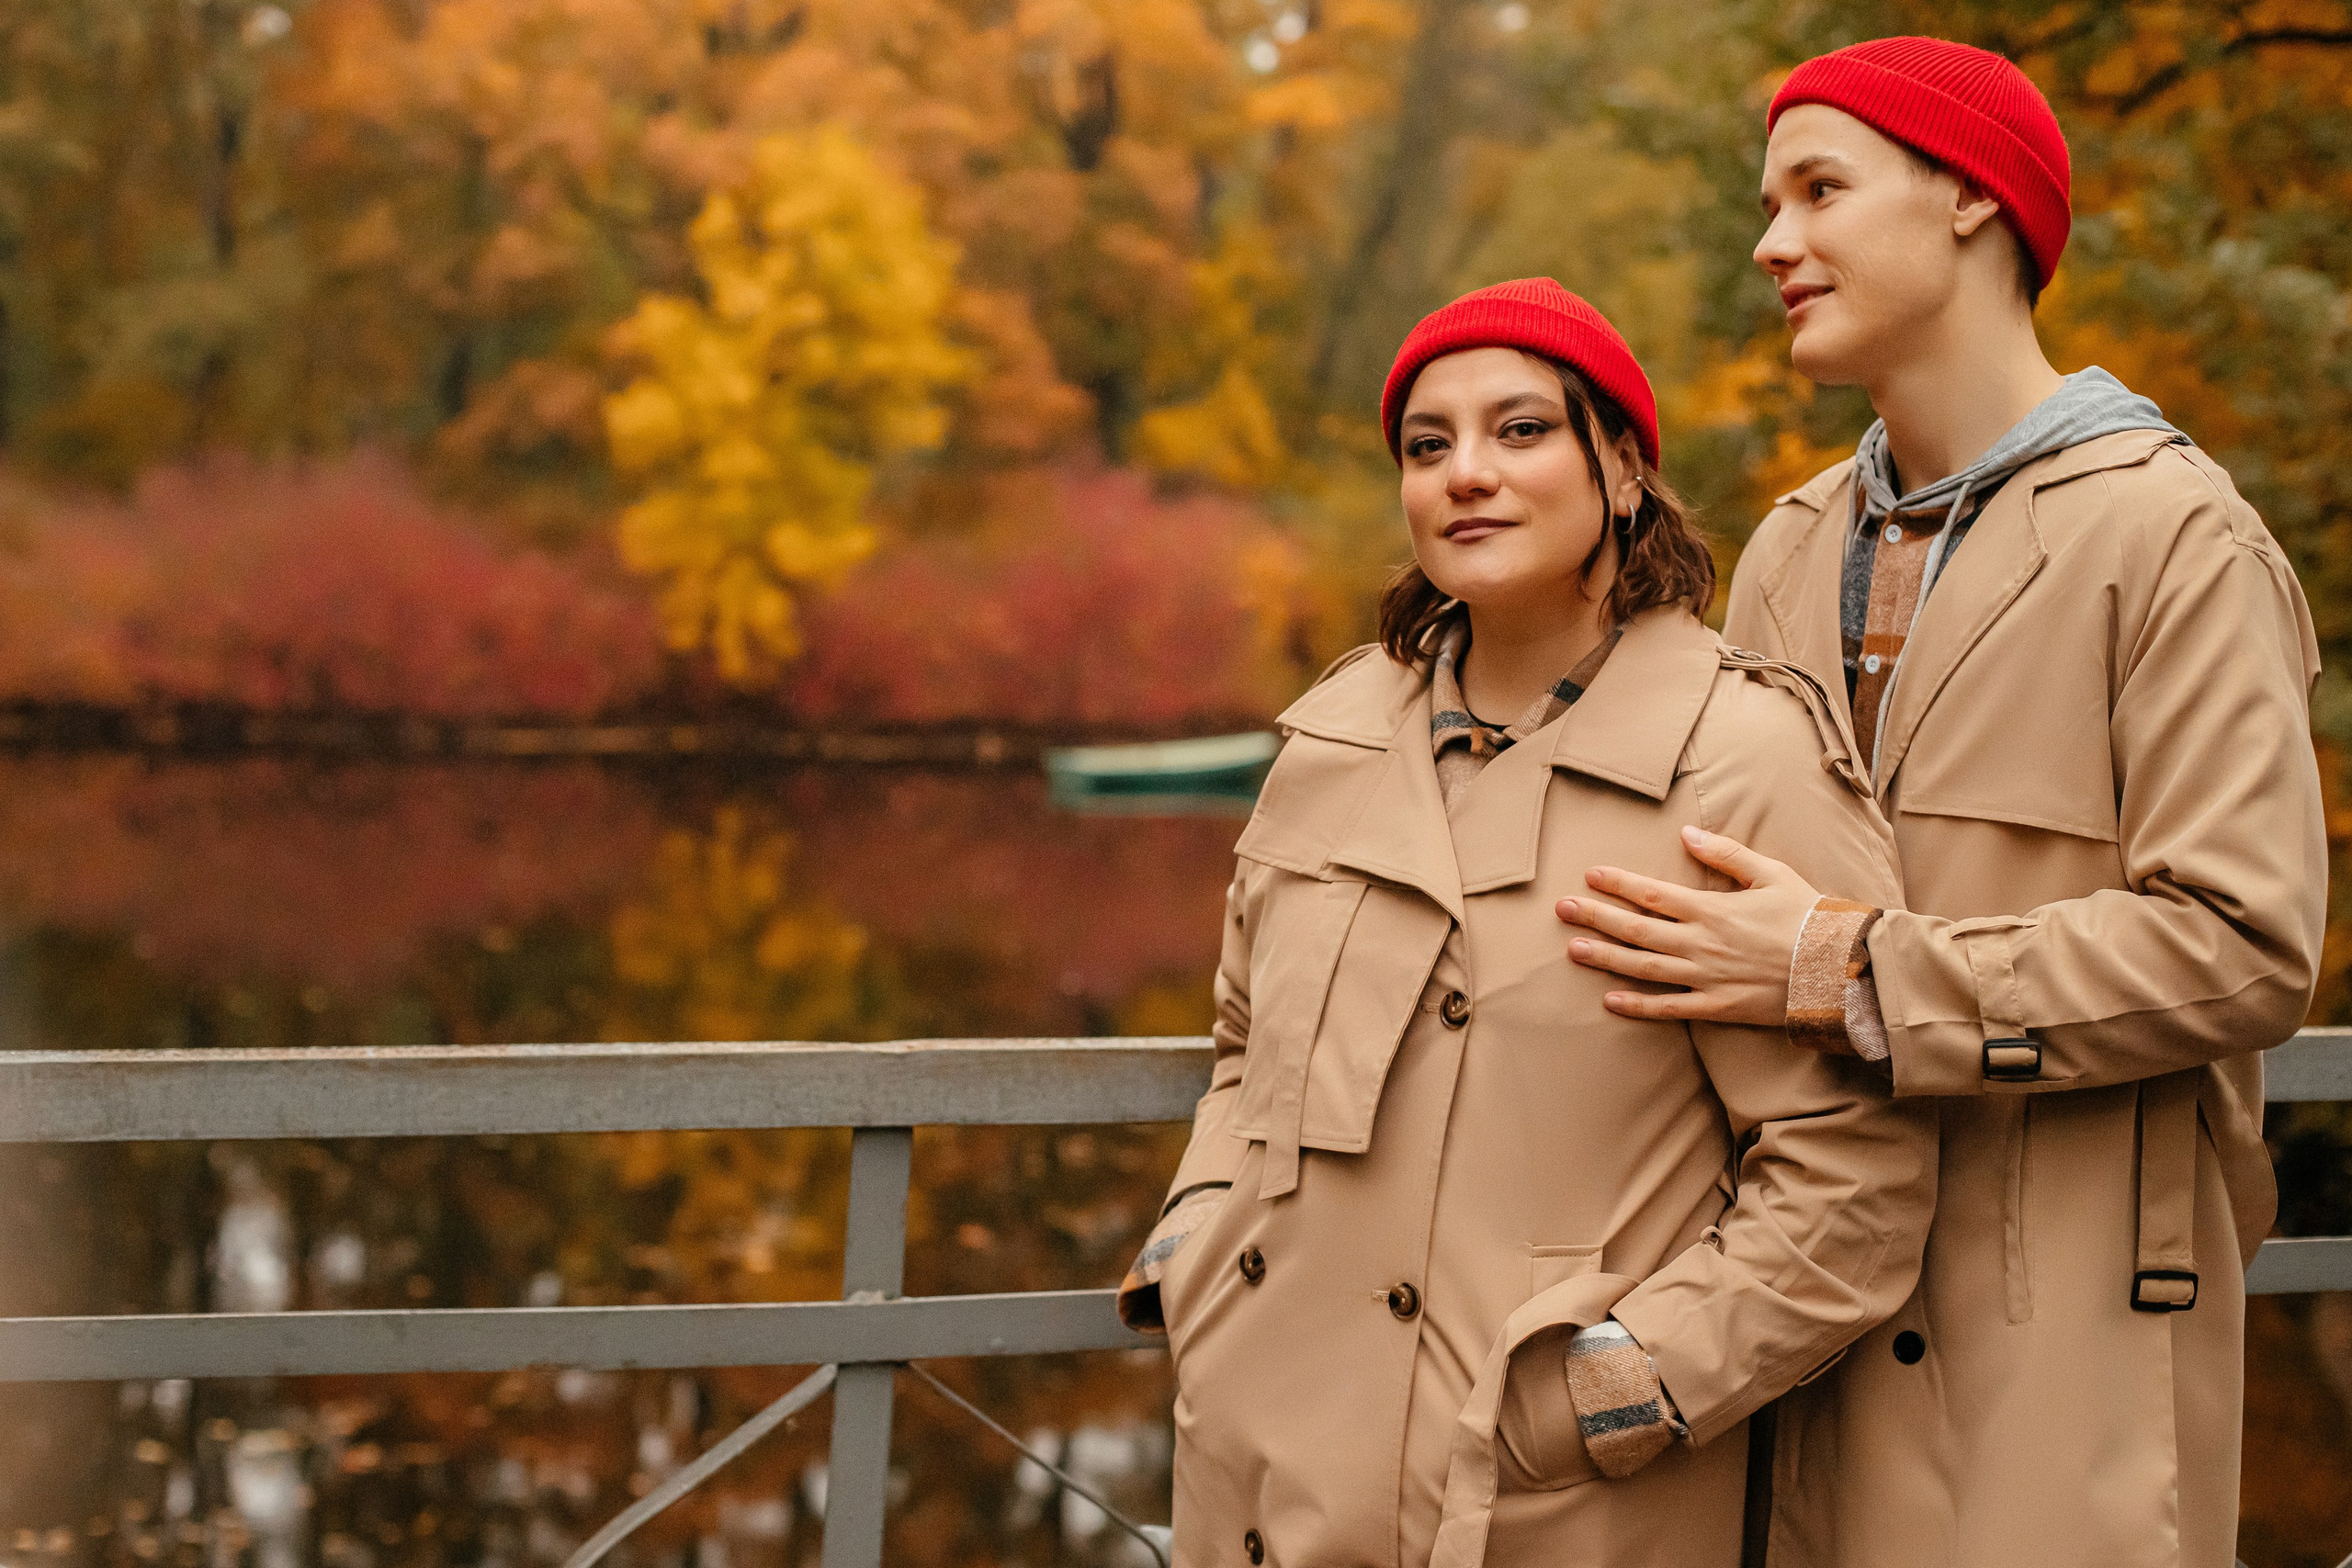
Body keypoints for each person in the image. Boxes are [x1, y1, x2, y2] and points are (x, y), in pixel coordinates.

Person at [1555, 39, 2325, 1567]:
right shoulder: (1782, 551)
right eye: (1770, 204)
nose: (1772, 244)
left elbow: (2247, 947)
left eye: (1820, 191)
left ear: (1972, 199)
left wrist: (1849, 970)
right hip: (1787, 1342)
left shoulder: (2175, 536)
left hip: (2067, 1340)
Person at [1115, 276, 1938, 1567]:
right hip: (1261, 1473)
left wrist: (1616, 1392)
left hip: (1540, 1498)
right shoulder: (1333, 736)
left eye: (1518, 431)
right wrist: (1198, 1251)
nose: (1465, 475)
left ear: (1620, 467)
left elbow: (1855, 1180)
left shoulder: (1743, 758)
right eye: (1427, 445)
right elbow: (1239, 1043)